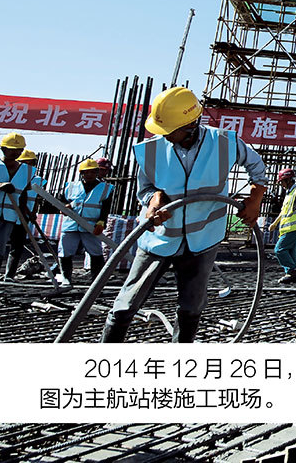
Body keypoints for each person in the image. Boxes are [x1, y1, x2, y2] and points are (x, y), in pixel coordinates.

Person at [101, 87, 266, 343]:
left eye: (169, 131)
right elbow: (144, 189)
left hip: (203, 239)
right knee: (125, 304)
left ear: (191, 123)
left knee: (191, 307)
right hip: (159, 240)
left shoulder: (225, 142)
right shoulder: (150, 150)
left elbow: (256, 166)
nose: (163, 136)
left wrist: (255, 199)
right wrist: (153, 199)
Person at [55, 159, 114, 287]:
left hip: (91, 226)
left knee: (95, 252)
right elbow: (61, 201)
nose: (89, 175)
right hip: (70, 225)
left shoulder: (106, 188)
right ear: (81, 173)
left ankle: (96, 281)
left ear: (96, 172)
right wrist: (64, 207)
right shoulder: (71, 186)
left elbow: (105, 208)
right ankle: (66, 278)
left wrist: (101, 223)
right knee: (65, 252)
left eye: (92, 172)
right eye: (86, 172)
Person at [0, 132, 33, 294]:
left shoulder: (28, 171)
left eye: (19, 150)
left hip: (8, 217)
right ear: (3, 148)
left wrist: (25, 214)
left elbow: (23, 195)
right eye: (12, 149)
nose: (15, 153)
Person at [4, 148, 44, 282]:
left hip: (23, 219)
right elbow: (21, 199)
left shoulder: (38, 180)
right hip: (6, 214)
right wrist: (27, 211)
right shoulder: (11, 176)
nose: (27, 166)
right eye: (24, 163)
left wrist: (32, 213)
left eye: (30, 163)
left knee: (17, 247)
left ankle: (9, 275)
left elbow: (37, 198)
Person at [268, 168, 296, 283]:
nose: (282, 185)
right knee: (290, 251)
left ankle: (292, 270)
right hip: (287, 229)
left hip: (293, 228)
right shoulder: (289, 194)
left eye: (282, 182)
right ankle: (291, 276)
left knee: (279, 249)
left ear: (288, 180)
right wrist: (274, 224)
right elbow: (284, 212)